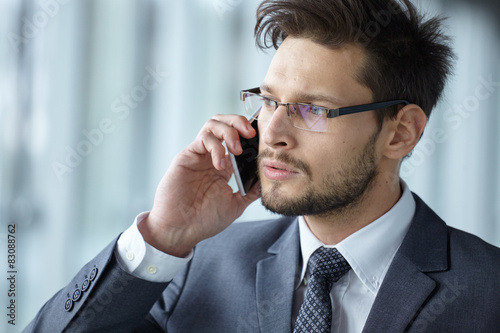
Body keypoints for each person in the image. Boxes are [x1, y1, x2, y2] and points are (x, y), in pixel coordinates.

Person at [25, 0, 500, 332]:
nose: (271, 132)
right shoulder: (199, 268)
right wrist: (163, 238)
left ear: (400, 133)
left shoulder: (487, 293)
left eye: (313, 109)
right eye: (270, 100)